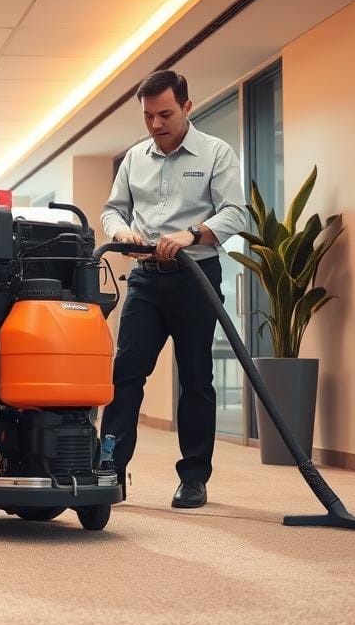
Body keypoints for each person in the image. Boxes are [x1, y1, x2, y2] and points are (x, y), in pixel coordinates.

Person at [99, 70, 247, 509]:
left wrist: (193, 234)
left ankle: (194, 478)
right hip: (145, 280)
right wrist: (122, 231)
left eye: (165, 114)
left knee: (197, 379)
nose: (156, 124)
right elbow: (112, 210)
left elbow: (236, 213)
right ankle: (108, 468)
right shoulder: (135, 158)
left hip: (195, 278)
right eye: (148, 116)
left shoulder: (216, 153)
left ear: (186, 106)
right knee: (125, 377)